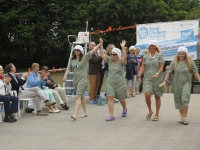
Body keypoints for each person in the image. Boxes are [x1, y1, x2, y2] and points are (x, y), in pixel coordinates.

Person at [159, 46, 200, 125]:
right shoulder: (174, 62)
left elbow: (196, 73)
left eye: (183, 54)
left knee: (184, 99)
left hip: (186, 84)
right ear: (177, 54)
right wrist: (164, 81)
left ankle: (185, 118)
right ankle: (182, 117)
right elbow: (169, 72)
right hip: (177, 84)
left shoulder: (190, 63)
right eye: (179, 54)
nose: (181, 55)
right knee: (178, 101)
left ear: (185, 54)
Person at [63, 44, 100, 120]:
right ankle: (85, 112)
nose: (76, 51)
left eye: (78, 50)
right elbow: (69, 69)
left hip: (83, 80)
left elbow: (92, 51)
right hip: (76, 80)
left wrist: (99, 44)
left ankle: (75, 114)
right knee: (82, 97)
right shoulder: (72, 59)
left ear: (81, 51)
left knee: (78, 97)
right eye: (75, 50)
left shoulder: (85, 57)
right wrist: (65, 76)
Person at [100, 38, 127, 121]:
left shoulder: (121, 62)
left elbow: (125, 57)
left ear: (118, 55)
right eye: (111, 54)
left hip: (120, 83)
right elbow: (102, 55)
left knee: (121, 99)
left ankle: (124, 109)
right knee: (110, 98)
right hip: (110, 82)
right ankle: (111, 115)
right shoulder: (110, 60)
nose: (112, 56)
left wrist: (123, 47)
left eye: (114, 54)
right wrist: (101, 44)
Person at [138, 40, 165, 121]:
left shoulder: (160, 55)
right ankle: (150, 110)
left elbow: (161, 67)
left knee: (157, 96)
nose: (152, 47)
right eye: (151, 46)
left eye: (153, 46)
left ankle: (157, 114)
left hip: (157, 78)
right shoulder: (145, 56)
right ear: (149, 47)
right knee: (147, 95)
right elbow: (143, 67)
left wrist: (157, 74)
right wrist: (139, 76)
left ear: (156, 47)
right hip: (147, 78)